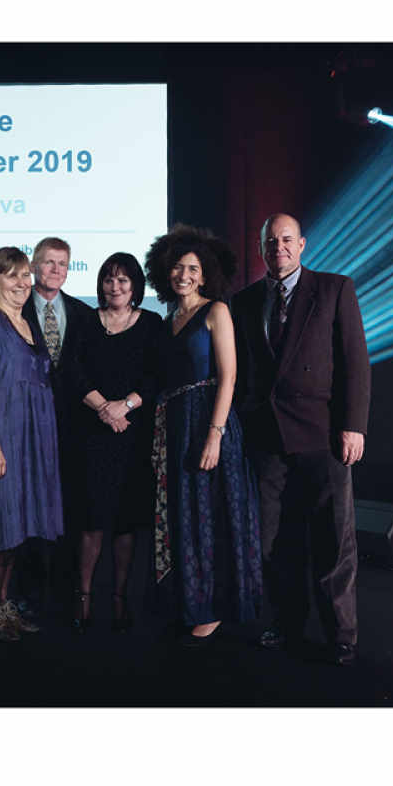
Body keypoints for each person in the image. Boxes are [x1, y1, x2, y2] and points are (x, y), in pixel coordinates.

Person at [232, 213, 370, 666]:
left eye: (287, 239)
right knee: (274, 539)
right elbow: (239, 374)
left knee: (333, 539)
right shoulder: (244, 301)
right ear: (261, 248)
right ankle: (286, 621)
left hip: (322, 434)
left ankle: (341, 634)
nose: (279, 248)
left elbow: (355, 362)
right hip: (265, 437)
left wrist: (353, 425)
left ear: (303, 244)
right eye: (271, 241)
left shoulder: (334, 289)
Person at [143, 225, 262, 645]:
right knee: (184, 515)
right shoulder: (167, 321)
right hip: (175, 424)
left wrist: (215, 435)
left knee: (211, 514)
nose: (184, 274)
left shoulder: (216, 311)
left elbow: (229, 377)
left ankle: (213, 607)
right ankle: (191, 603)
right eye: (178, 267)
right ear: (166, 272)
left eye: (193, 268)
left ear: (206, 274)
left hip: (210, 422)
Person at [0, 247, 63, 640]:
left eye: (24, 275)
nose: (21, 283)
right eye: (11, 276)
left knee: (15, 528)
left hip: (29, 441)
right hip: (1, 437)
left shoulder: (28, 322)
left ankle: (4, 606)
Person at [64, 252, 161, 632]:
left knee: (125, 520)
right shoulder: (86, 320)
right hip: (92, 434)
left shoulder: (151, 323)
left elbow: (155, 376)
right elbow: (72, 369)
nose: (115, 286)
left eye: (122, 280)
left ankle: (120, 600)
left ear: (135, 285)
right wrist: (105, 408)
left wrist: (125, 406)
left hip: (133, 436)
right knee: (91, 519)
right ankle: (84, 598)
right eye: (108, 279)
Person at [16, 236, 94, 618]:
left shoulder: (84, 314)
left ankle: (64, 588)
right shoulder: (12, 311)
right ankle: (29, 591)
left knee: (69, 510)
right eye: (48, 262)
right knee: (29, 507)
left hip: (72, 427)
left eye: (62, 263)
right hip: (26, 425)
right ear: (33, 267)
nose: (55, 270)